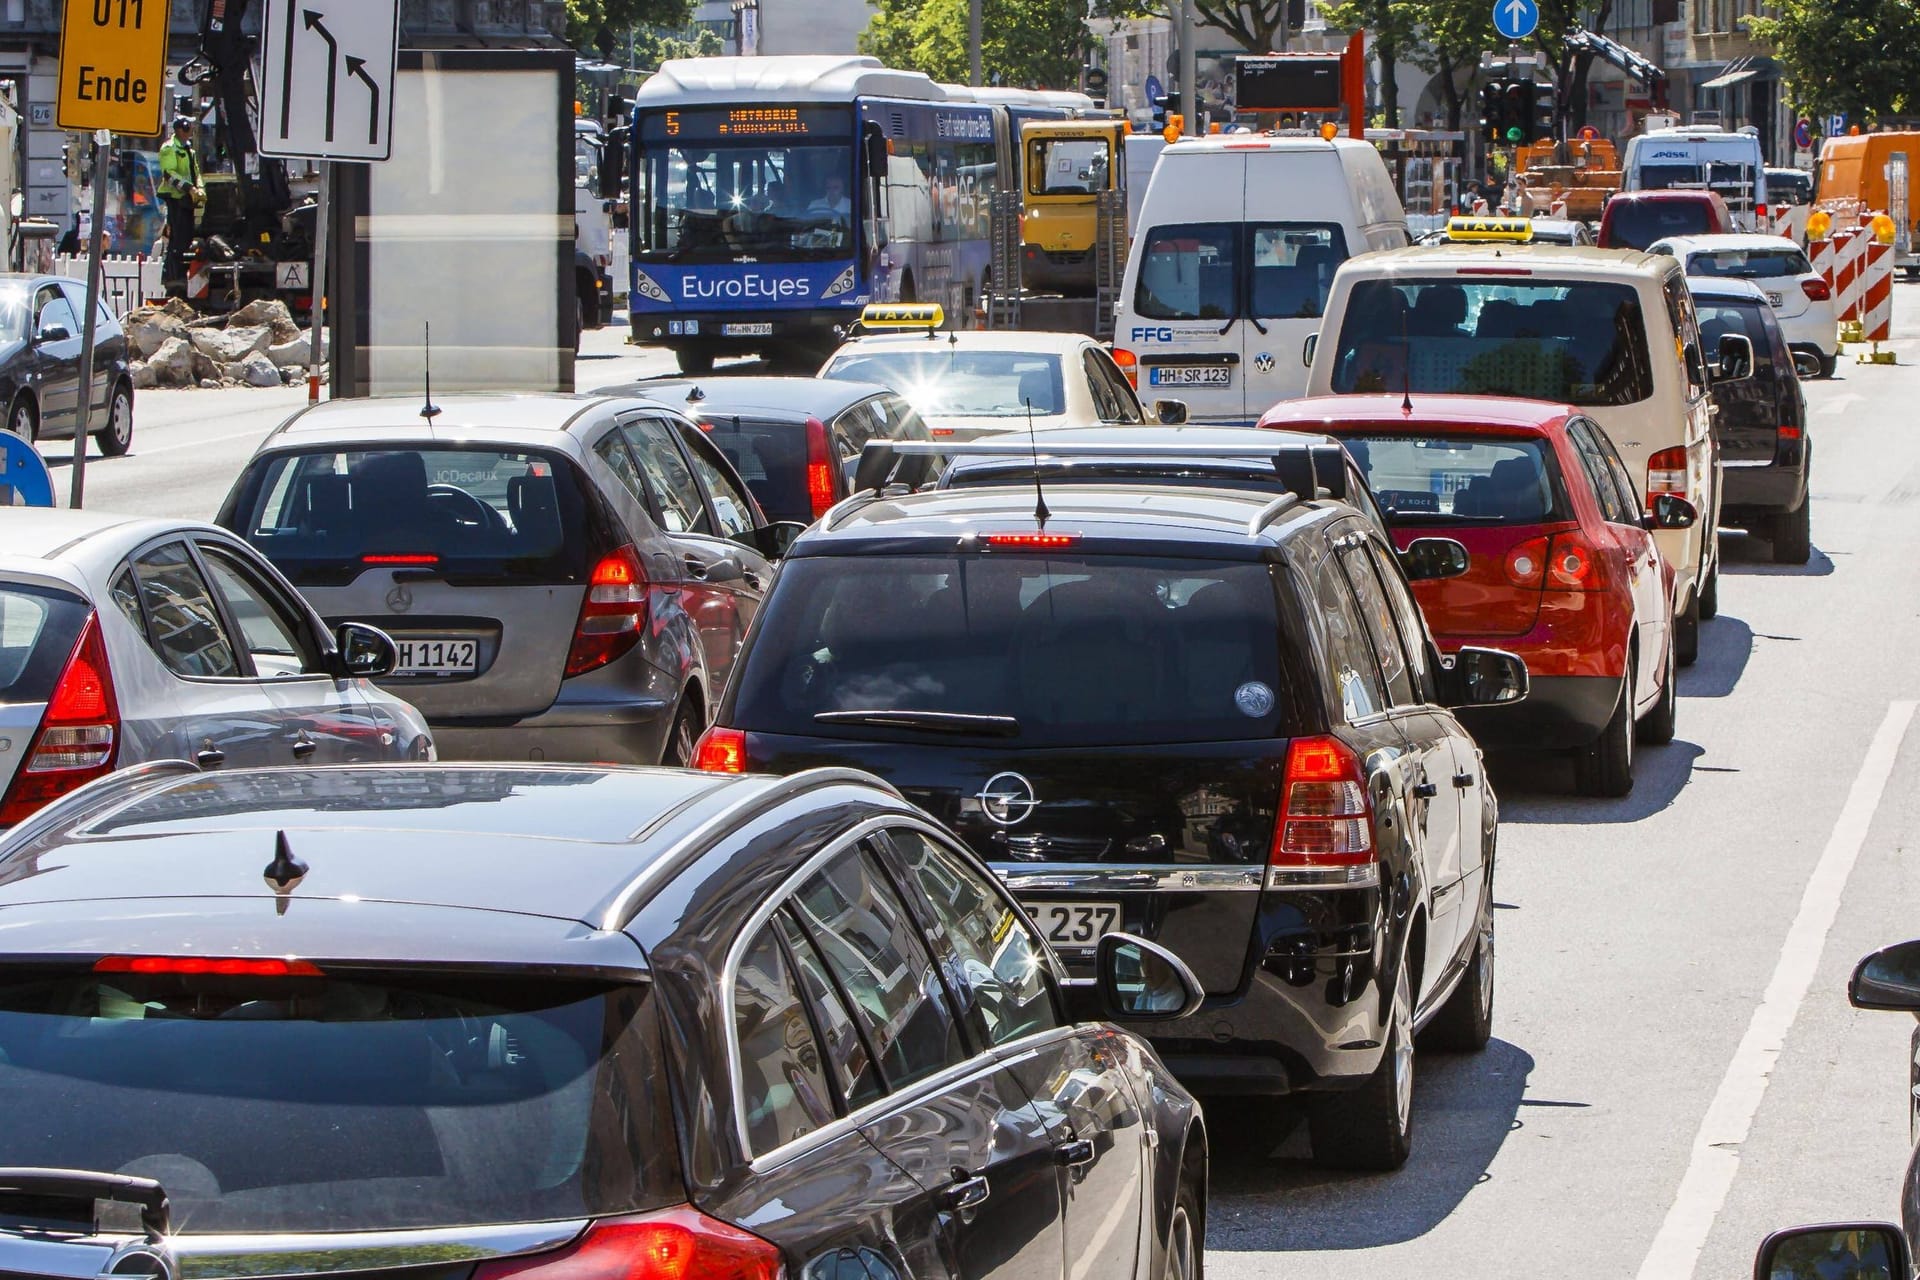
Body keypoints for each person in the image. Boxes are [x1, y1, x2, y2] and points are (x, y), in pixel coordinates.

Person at [157, 115, 203, 288]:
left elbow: (195, 173)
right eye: (188, 127)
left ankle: (181, 274)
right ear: (179, 130)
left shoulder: (189, 151)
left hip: (186, 199)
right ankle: (173, 275)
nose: (190, 130)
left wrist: (199, 189)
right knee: (177, 237)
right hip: (175, 198)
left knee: (187, 236)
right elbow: (169, 175)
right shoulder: (169, 148)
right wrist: (189, 188)